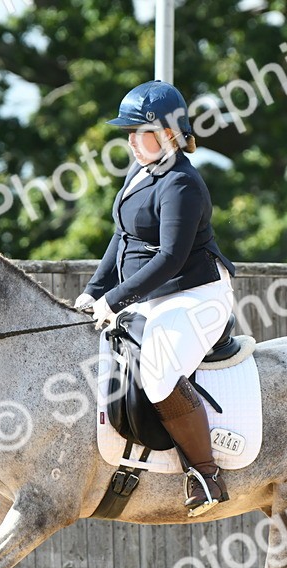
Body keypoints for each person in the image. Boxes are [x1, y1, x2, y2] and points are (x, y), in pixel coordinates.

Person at [74, 80, 238, 517]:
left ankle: (206, 474)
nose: (130, 140)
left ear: (168, 132)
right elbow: (121, 238)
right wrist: (94, 291)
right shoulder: (141, 172)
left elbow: (170, 257)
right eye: (127, 132)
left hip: (195, 295)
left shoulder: (182, 183)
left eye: (138, 131)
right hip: (152, 295)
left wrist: (117, 299)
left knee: (159, 372)